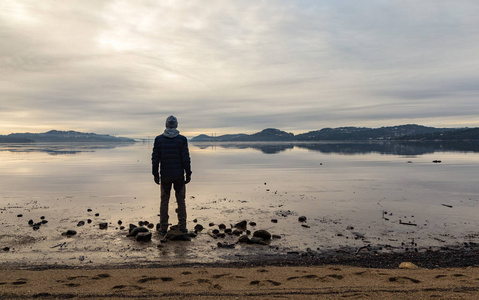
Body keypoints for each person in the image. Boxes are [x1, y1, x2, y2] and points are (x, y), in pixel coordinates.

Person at [151, 115, 192, 236]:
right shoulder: (182, 139)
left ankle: (163, 228)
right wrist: (188, 173)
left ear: (166, 125)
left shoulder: (159, 139)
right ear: (176, 125)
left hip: (165, 175)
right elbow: (186, 158)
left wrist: (155, 174)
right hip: (179, 175)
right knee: (181, 201)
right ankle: (183, 227)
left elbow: (155, 159)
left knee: (164, 201)